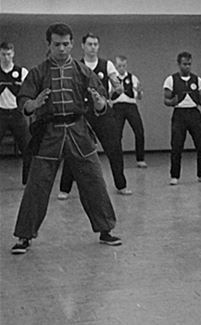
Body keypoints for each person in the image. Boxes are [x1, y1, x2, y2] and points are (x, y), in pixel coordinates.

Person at [11, 23, 121, 254]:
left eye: (65, 44)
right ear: (49, 45)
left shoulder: (83, 71)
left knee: (94, 181)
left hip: (79, 132)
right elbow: (24, 101)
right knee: (37, 185)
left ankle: (105, 229)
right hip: (48, 135)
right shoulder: (38, 72)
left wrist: (100, 103)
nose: (61, 49)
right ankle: (24, 236)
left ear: (72, 44)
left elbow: (102, 100)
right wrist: (33, 104)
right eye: (56, 44)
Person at [57, 33, 132, 199]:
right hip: (82, 113)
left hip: (103, 112)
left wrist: (117, 87)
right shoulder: (76, 66)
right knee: (73, 149)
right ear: (83, 46)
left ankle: (121, 185)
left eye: (95, 44)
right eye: (90, 44)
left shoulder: (107, 65)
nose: (93, 47)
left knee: (114, 148)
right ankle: (64, 188)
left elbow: (115, 83)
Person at [163, 51, 201, 186]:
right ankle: (174, 176)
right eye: (184, 64)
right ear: (179, 64)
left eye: (189, 64)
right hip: (179, 114)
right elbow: (166, 100)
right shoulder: (171, 80)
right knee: (177, 145)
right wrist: (172, 102)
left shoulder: (197, 80)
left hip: (194, 113)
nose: (187, 67)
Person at [0, 41, 30, 185]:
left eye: (8, 54)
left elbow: (29, 91)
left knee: (28, 148)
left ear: (13, 54)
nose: (6, 57)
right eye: (3, 54)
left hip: (17, 114)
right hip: (1, 114)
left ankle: (28, 181)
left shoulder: (22, 72)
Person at [111, 55, 147, 168]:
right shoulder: (112, 79)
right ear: (115, 66)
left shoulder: (133, 78)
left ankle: (140, 159)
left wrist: (139, 92)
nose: (121, 68)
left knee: (139, 131)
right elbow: (107, 95)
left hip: (131, 106)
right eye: (119, 66)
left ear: (126, 65)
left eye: (123, 66)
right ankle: (117, 159)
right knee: (116, 134)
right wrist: (114, 91)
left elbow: (139, 96)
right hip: (117, 107)